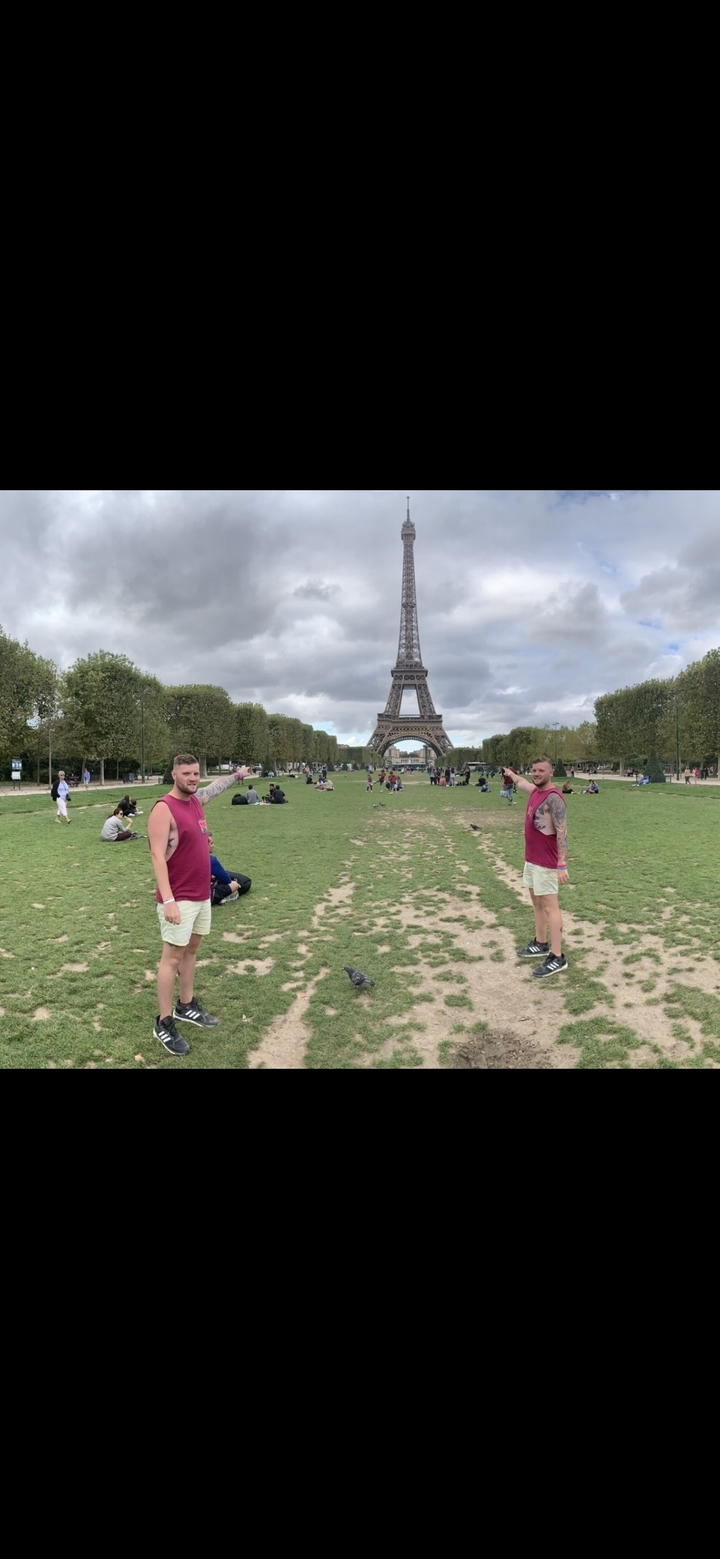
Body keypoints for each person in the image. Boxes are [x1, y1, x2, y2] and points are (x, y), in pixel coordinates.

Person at [147, 753, 246, 1057]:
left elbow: (215, 788)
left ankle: (185, 1005)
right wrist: (170, 901)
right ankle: (163, 1022)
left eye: (196, 773)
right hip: (179, 897)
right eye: (186, 773)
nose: (192, 778)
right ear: (174, 774)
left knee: (191, 951)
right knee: (172, 958)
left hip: (202, 895)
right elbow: (156, 857)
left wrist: (237, 777)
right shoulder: (164, 809)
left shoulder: (196, 802)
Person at [503, 755, 569, 978]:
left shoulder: (554, 798)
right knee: (537, 904)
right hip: (532, 859)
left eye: (541, 770)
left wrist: (561, 863)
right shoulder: (535, 791)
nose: (537, 773)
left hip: (547, 863)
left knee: (550, 907)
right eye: (534, 770)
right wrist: (510, 774)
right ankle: (541, 943)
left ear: (551, 773)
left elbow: (562, 831)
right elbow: (522, 782)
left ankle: (558, 957)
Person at [207, 835, 252, 905]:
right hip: (205, 896)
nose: (213, 846)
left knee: (217, 877)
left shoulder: (188, 856)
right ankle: (227, 897)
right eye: (211, 843)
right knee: (240, 883)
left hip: (186, 894)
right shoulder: (210, 860)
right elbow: (226, 880)